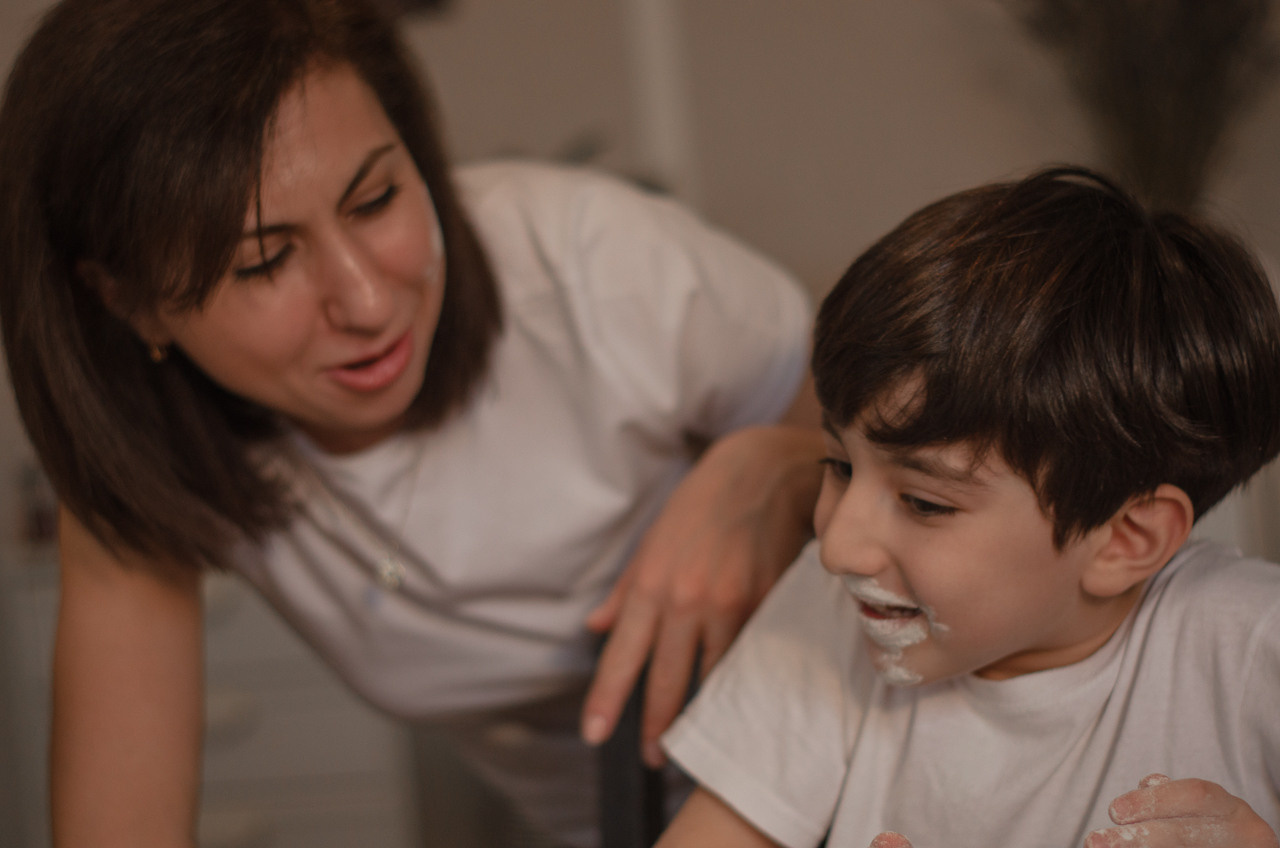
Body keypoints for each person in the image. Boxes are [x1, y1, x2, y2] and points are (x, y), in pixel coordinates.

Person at [0, 0, 825, 845]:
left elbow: (907, 473)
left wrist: (778, 470)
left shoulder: (596, 262)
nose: (366, 299)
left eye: (376, 198)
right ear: (128, 301)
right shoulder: (150, 464)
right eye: (264, 261)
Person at [655, 167, 1280, 848]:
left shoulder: (1250, 650)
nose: (838, 548)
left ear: (1125, 540)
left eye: (923, 502)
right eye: (838, 466)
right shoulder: (838, 607)